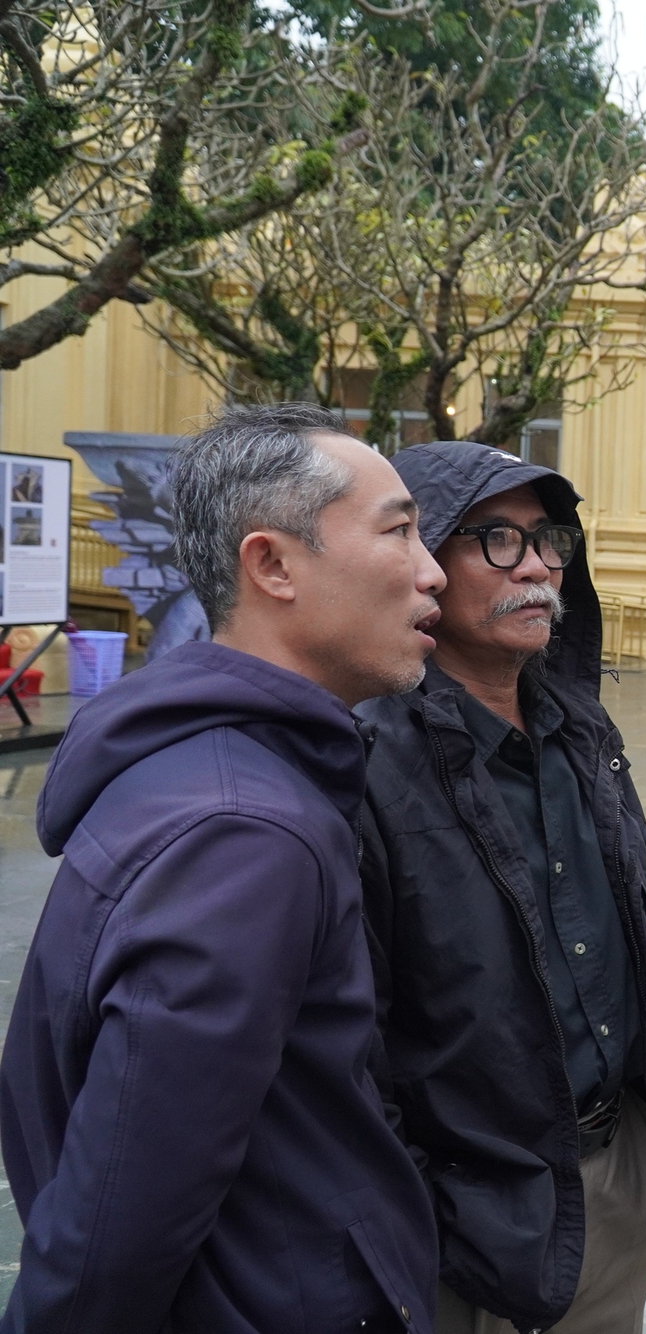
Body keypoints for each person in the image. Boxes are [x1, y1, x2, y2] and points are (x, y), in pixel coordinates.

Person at [0, 403, 446, 1332]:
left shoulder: (223, 769)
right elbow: (121, 1208)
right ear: (272, 564)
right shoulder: (246, 832)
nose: (432, 571)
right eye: (398, 531)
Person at [355, 441, 646, 1334]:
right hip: (468, 1220)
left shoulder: (582, 733)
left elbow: (636, 933)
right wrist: (420, 1204)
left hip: (618, 1171)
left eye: (550, 539)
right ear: (424, 562)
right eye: (497, 540)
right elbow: (353, 1036)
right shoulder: (368, 765)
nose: (538, 567)